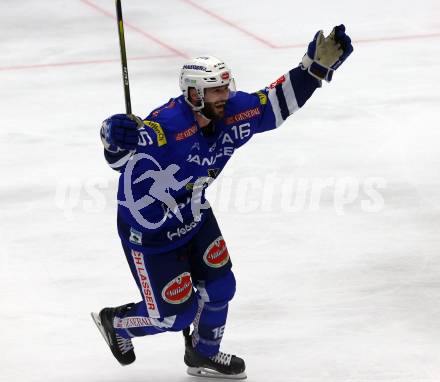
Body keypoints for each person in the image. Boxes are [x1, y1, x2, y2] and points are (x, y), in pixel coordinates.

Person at [92, 25, 353, 379]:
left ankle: (203, 354)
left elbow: (275, 103)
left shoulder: (232, 112)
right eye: (215, 89)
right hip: (150, 230)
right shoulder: (167, 124)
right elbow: (123, 157)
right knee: (173, 315)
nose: (224, 96)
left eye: (225, 87)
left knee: (221, 286)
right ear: (193, 93)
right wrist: (113, 135)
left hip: (195, 214)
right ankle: (118, 323)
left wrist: (314, 69)